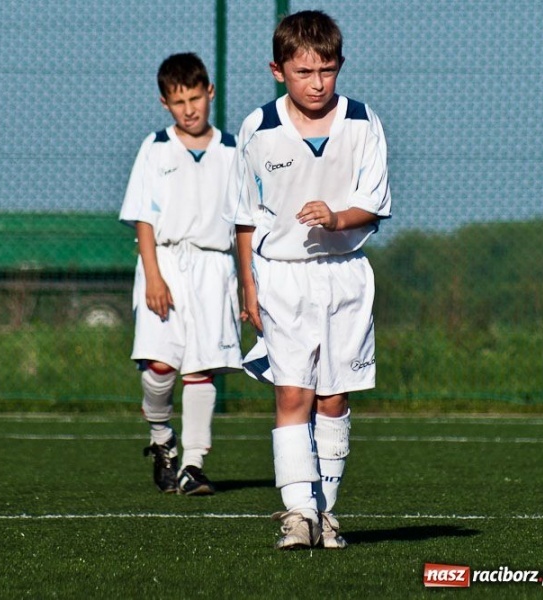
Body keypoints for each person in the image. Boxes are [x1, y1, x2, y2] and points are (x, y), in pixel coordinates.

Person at [226, 11, 391, 548]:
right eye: (303, 72)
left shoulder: (363, 122)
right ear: (278, 71)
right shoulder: (259, 128)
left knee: (334, 399)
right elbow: (245, 218)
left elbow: (374, 203)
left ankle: (328, 513)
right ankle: (298, 512)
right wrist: (248, 289)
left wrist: (338, 218)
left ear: (340, 66)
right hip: (282, 279)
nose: (316, 83)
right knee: (293, 393)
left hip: (345, 277)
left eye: (327, 69)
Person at [120, 52, 242, 496]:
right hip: (165, 262)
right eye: (178, 101)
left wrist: (248, 284)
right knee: (159, 365)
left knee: (200, 369)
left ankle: (193, 464)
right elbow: (143, 219)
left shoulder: (232, 151)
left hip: (214, 266)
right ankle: (161, 438)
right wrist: (153, 276)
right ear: (164, 103)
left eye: (195, 97)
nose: (189, 109)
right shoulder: (155, 148)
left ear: (210, 92)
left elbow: (245, 223)